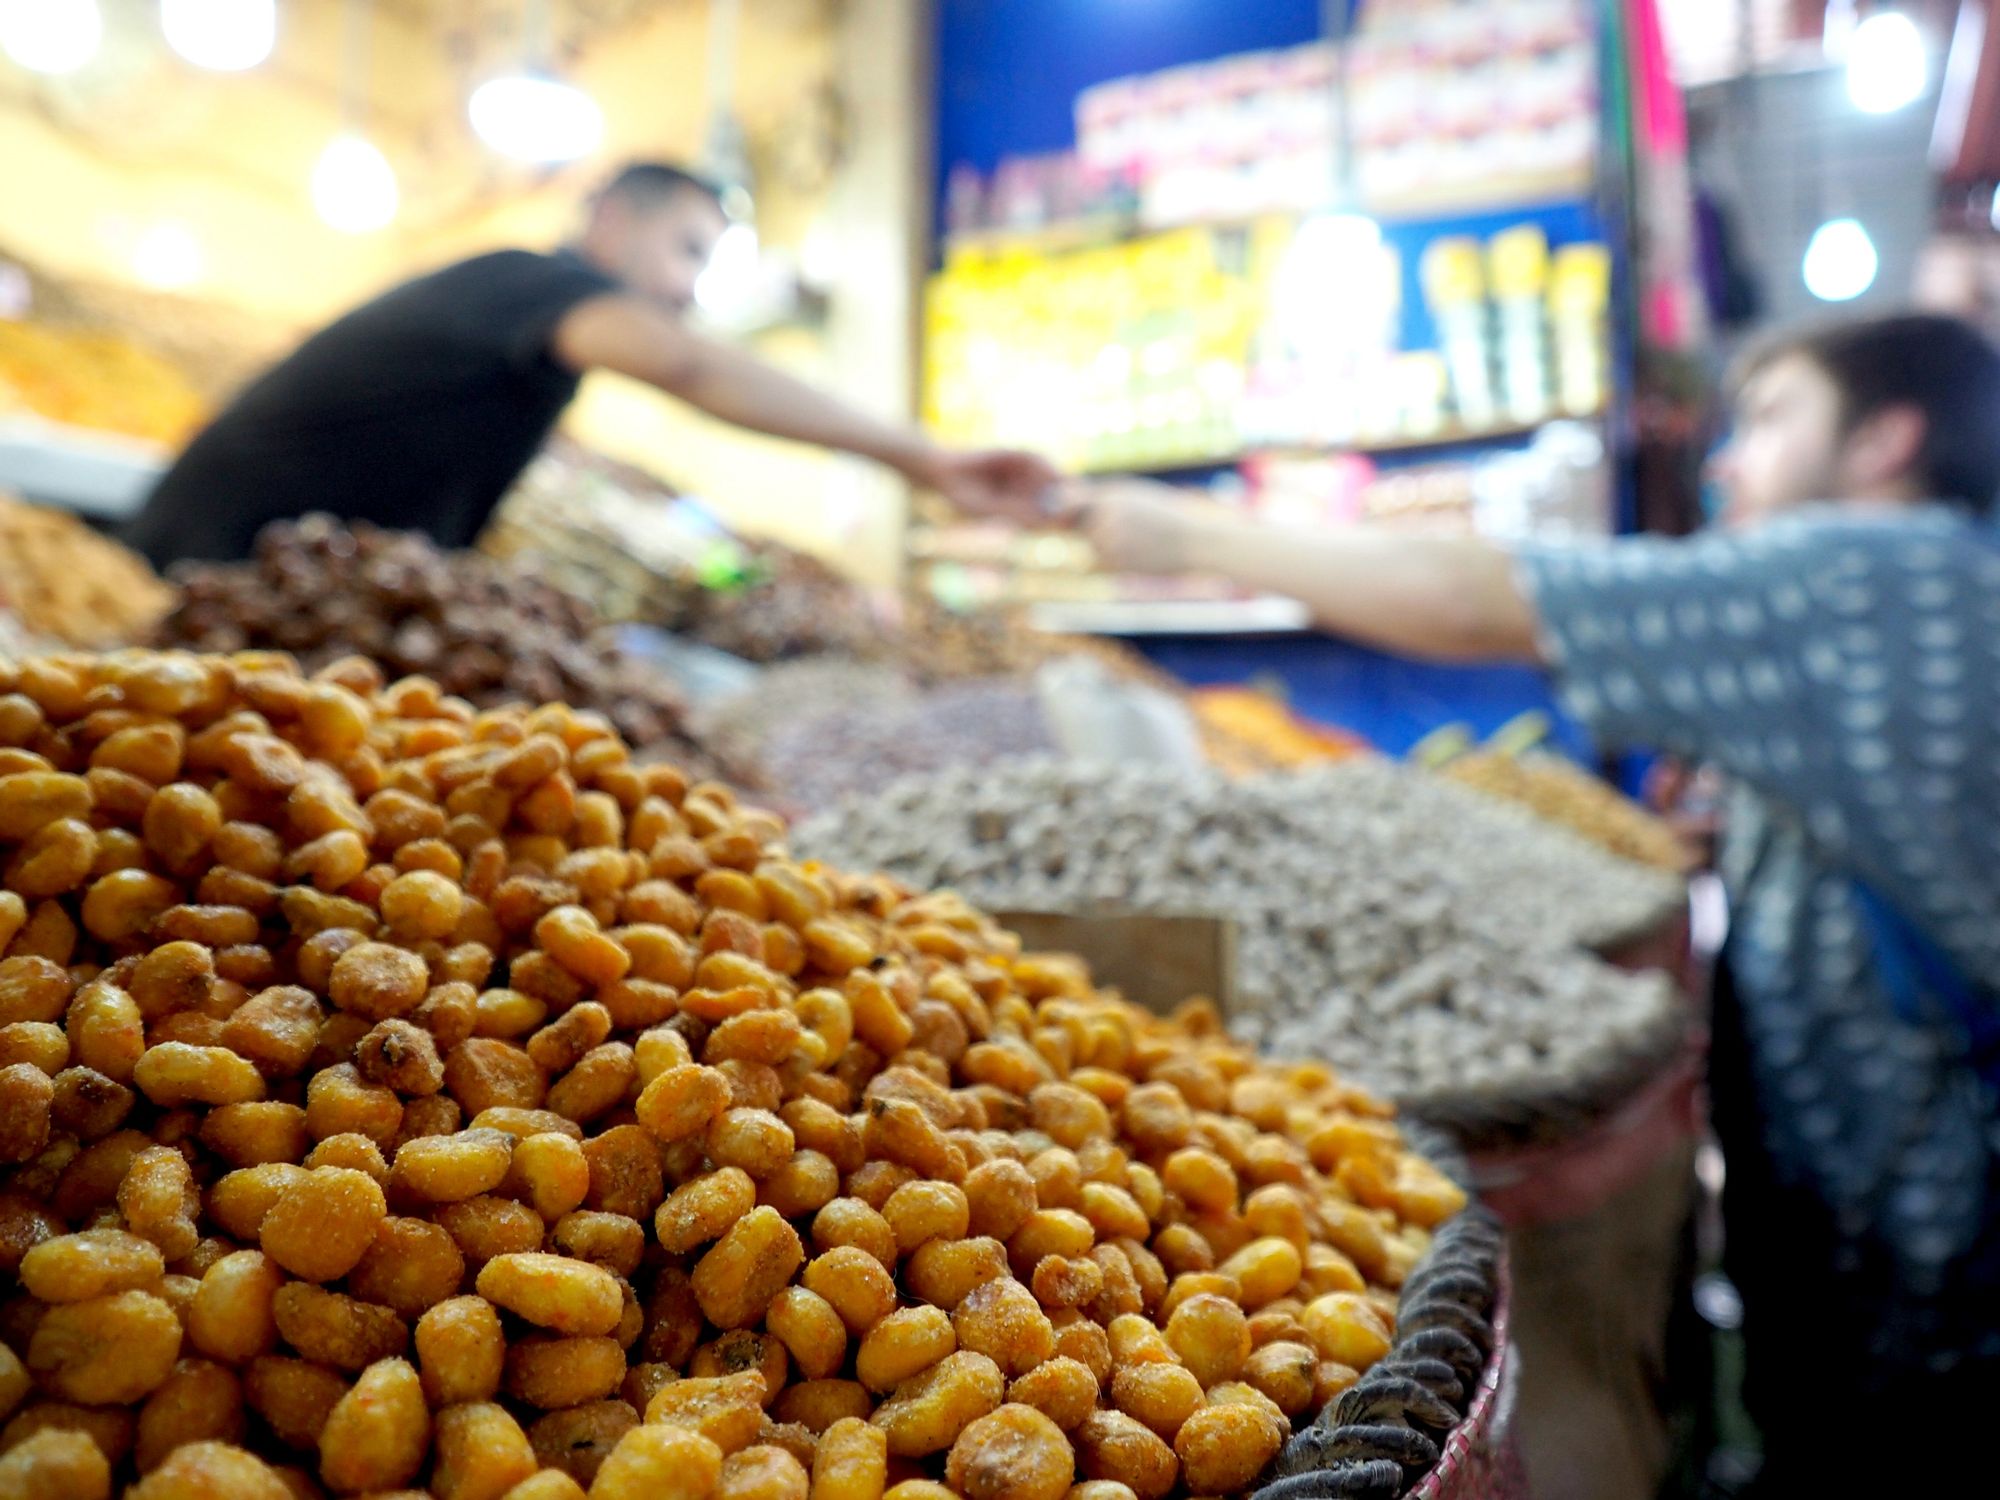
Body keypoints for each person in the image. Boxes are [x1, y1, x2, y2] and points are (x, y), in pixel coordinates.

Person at [1067, 312, 2000, 1491]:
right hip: (1884, 1174)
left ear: (1886, 439)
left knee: (1890, 1444)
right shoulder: (1943, 579)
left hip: (1920, 1203)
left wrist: (1174, 526)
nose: (1727, 459)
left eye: (1768, 420)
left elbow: (1480, 600)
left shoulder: (1875, 568)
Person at [126, 162, 1055, 566]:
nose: (690, 292)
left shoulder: (516, 317)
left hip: (250, 573)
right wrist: (924, 459)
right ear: (610, 219)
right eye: (688, 251)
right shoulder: (538, 282)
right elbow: (689, 368)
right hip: (204, 573)